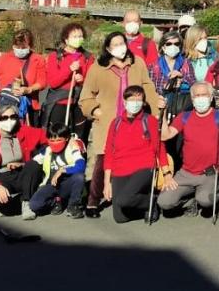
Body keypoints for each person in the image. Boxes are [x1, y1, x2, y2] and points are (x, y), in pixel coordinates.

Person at [78, 31, 160, 218]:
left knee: (133, 159)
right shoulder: (98, 68)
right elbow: (86, 97)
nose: (120, 47)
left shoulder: (137, 63)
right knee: (102, 161)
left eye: (122, 43)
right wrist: (96, 111)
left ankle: (134, 195)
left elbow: (148, 87)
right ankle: (93, 201)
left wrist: (155, 111)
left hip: (135, 120)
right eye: (114, 45)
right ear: (107, 48)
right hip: (108, 121)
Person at [158, 81, 219, 218]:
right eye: (197, 96)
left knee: (206, 200)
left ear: (211, 97)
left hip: (209, 173)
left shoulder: (218, 115)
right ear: (192, 99)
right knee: (164, 202)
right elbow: (165, 135)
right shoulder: (184, 117)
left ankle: (216, 200)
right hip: (186, 173)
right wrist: (162, 113)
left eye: (204, 95)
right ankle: (190, 200)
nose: (200, 98)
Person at [102, 86, 169, 224]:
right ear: (125, 101)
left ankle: (152, 202)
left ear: (144, 102)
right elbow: (109, 152)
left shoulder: (149, 120)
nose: (135, 103)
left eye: (139, 100)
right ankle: (145, 205)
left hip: (144, 167)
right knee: (120, 218)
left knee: (124, 199)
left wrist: (166, 172)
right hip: (120, 170)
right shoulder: (116, 123)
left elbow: (159, 148)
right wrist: (106, 182)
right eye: (131, 99)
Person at [0, 102, 47, 218]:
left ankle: (27, 203)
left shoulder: (24, 131)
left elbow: (49, 136)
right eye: (4, 118)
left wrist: (70, 140)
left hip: (23, 174)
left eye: (13, 117)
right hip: (3, 177)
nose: (9, 120)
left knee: (33, 164)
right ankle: (15, 205)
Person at [0, 29, 46, 124]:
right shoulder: (4, 58)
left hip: (29, 107)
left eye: (24, 47)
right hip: (5, 108)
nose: (20, 50)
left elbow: (42, 82)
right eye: (17, 47)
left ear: (30, 46)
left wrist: (29, 89)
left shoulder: (38, 59)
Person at [27, 122, 87, 219]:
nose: (55, 143)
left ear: (66, 138)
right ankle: (55, 202)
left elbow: (81, 166)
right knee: (34, 205)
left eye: (59, 140)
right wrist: (20, 165)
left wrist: (63, 170)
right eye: (52, 141)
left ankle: (73, 206)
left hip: (67, 185)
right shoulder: (46, 150)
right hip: (51, 185)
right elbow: (33, 162)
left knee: (79, 176)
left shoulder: (72, 148)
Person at [43, 22, 94, 131]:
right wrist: (69, 70)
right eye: (74, 36)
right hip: (59, 103)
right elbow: (53, 83)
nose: (78, 39)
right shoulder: (55, 57)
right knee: (57, 135)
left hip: (79, 103)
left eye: (80, 36)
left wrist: (82, 80)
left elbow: (92, 81)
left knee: (78, 136)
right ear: (66, 39)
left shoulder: (88, 57)